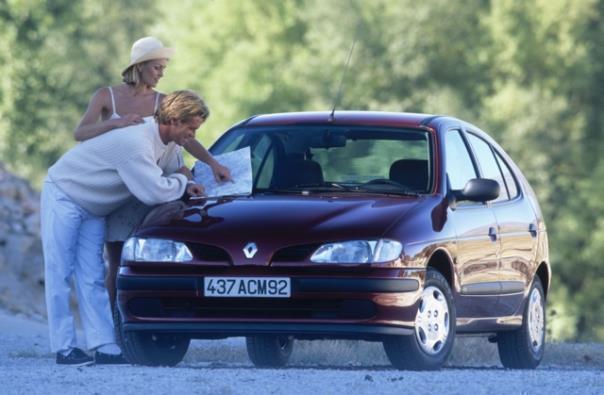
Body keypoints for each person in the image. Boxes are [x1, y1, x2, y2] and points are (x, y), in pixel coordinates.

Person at [41, 90, 208, 365]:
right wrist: (183, 181)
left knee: (93, 275)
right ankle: (64, 347)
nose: (193, 134)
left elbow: (169, 174)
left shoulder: (167, 144)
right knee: (59, 271)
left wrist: (186, 182)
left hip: (95, 206)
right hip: (65, 193)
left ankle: (105, 346)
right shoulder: (137, 142)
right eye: (190, 127)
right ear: (174, 120)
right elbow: (153, 192)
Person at [73, 36, 231, 309]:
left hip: (153, 187)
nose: (161, 74)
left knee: (144, 258)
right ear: (141, 66)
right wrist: (118, 124)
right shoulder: (105, 96)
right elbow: (81, 133)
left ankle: (142, 320)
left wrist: (213, 163)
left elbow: (185, 138)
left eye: (163, 68)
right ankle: (113, 326)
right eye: (157, 67)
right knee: (117, 260)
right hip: (118, 190)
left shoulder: (164, 102)